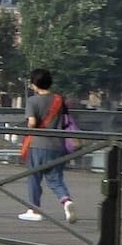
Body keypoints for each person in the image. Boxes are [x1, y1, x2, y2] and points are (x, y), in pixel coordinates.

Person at [18, 68, 75, 223]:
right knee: (55, 179)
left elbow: (32, 123)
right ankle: (66, 201)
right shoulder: (59, 99)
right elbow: (65, 121)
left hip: (38, 144)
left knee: (34, 177)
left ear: (35, 84)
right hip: (58, 144)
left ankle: (34, 209)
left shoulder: (32, 101)